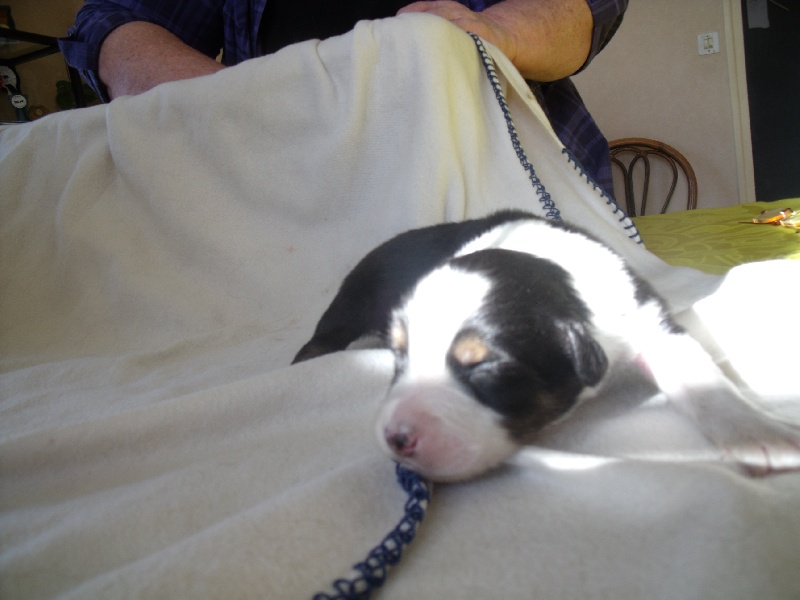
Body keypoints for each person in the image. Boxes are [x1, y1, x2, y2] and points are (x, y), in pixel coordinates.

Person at [59, 0, 627, 196]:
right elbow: (114, 20)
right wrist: (234, 99)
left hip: (512, 201)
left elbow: (592, 8)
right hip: (288, 216)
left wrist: (496, 32)